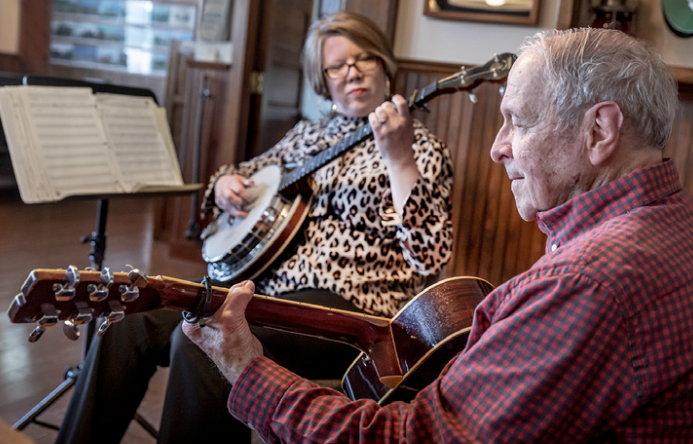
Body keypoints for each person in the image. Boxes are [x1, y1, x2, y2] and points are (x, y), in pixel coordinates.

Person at [184, 27, 693, 443]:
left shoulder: (588, 282)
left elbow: (408, 439)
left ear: (600, 130)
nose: (497, 146)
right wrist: (227, 184)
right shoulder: (689, 222)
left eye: (519, 120)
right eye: (335, 67)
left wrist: (246, 370)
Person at [55, 11, 453, 444]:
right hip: (260, 290)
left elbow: (430, 257)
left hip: (352, 311)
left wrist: (398, 159)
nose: (352, 72)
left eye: (365, 58)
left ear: (383, 63)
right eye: (336, 65)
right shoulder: (305, 136)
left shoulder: (420, 148)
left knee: (203, 346)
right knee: (127, 318)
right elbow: (239, 175)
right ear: (322, 80)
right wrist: (225, 184)